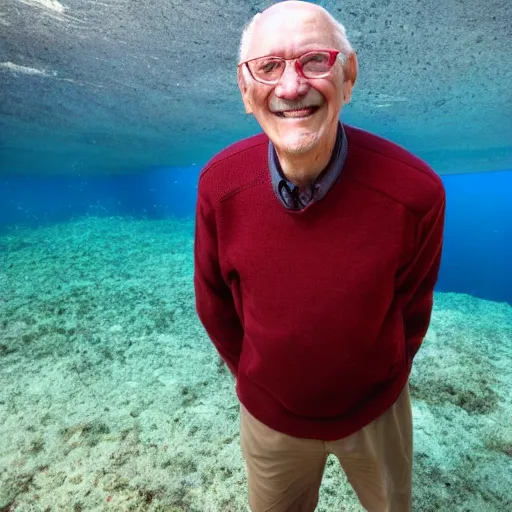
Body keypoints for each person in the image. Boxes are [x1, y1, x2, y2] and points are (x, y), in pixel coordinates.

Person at [194, 1, 446, 511]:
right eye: (267, 68)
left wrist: (378, 378)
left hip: (378, 412)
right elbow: (215, 303)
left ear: (348, 76)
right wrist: (260, 381)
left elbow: (413, 307)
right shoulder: (219, 186)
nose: (290, 87)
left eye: (314, 60)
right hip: (270, 419)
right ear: (246, 90)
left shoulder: (416, 193)